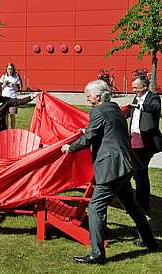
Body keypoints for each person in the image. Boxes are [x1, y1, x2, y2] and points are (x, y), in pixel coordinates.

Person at [61, 80, 159, 265]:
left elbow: (88, 139)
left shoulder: (97, 111)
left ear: (98, 96)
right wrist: (87, 130)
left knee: (96, 206)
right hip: (126, 165)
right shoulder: (113, 107)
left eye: (88, 96)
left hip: (112, 167)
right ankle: (150, 242)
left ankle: (97, 255)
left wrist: (69, 148)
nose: (87, 99)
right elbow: (106, 130)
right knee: (131, 205)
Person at [126, 75, 162, 212]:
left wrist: (138, 106)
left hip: (147, 143)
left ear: (145, 86)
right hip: (134, 142)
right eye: (133, 87)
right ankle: (137, 202)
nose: (134, 90)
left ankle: (142, 205)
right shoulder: (136, 98)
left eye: (136, 88)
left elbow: (153, 108)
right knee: (135, 173)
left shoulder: (153, 98)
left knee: (141, 172)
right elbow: (129, 113)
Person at [0, 62, 20, 129]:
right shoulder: (3, 77)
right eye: (8, 69)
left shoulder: (16, 78)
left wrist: (13, 86)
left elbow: (17, 89)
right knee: (5, 115)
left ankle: (12, 129)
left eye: (11, 69)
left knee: (12, 114)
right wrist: (4, 84)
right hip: (4, 97)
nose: (10, 71)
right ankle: (6, 129)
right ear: (6, 70)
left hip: (13, 97)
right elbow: (0, 88)